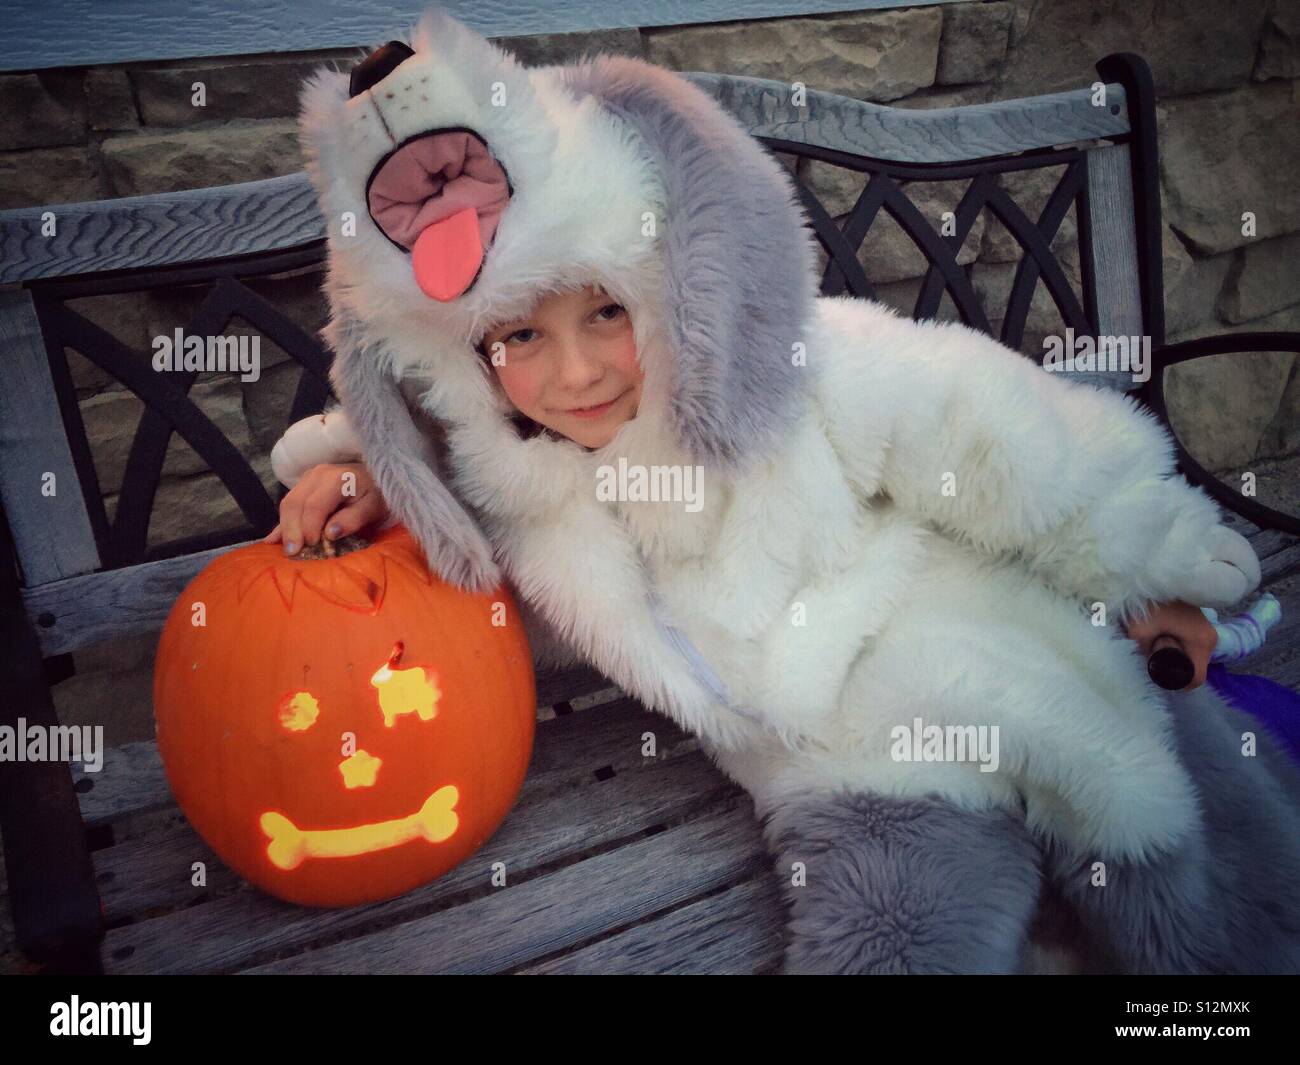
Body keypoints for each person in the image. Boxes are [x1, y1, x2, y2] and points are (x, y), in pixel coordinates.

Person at [263, 7, 1300, 973]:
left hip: (990, 642)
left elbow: (994, 433)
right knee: (891, 932)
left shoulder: (802, 370)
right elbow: (428, 453)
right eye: (520, 336)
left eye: (607, 314)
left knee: (1176, 860)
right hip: (831, 770)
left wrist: (1145, 566)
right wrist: (366, 471)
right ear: (462, 362)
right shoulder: (517, 490)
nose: (575, 375)